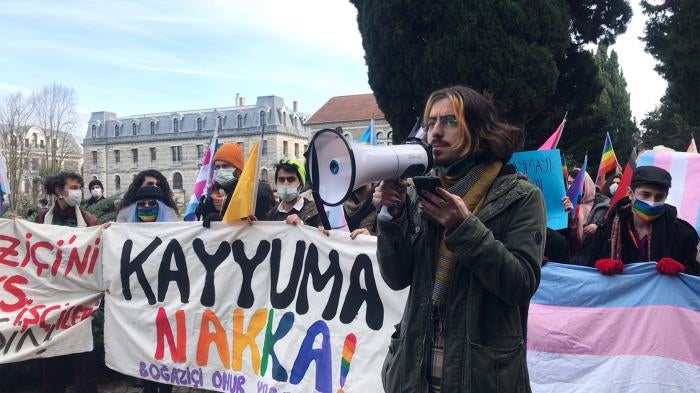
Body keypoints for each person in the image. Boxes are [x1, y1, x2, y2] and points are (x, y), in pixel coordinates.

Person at [373, 86, 545, 392]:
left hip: (480, 375)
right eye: (430, 123)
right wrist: (392, 217)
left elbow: (520, 284)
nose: (435, 132)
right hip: (416, 369)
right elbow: (396, 277)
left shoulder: (522, 197)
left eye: (449, 121)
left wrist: (464, 228)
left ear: (478, 130)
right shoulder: (418, 192)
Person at [34, 171, 98, 393]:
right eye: (73, 187)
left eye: (79, 187)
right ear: (59, 191)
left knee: (83, 355)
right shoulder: (43, 219)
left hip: (79, 296)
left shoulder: (89, 220)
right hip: (51, 296)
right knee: (51, 353)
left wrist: (102, 234)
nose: (78, 192)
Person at [580, 166, 700, 276]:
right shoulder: (608, 229)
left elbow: (695, 276)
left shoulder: (682, 233)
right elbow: (584, 265)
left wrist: (682, 270)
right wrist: (597, 265)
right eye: (645, 194)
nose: (652, 202)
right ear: (630, 194)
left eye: (659, 197)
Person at [195, 143, 244, 225]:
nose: (220, 170)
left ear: (238, 169)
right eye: (217, 167)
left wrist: (221, 220)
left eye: (225, 166)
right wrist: (205, 209)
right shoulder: (211, 193)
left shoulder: (251, 192)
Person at [266, 159, 320, 227]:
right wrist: (253, 224)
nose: (285, 183)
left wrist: (302, 225)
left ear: (301, 184)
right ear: (276, 183)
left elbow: (322, 235)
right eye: (281, 180)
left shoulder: (315, 212)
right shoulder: (272, 214)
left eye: (291, 179)